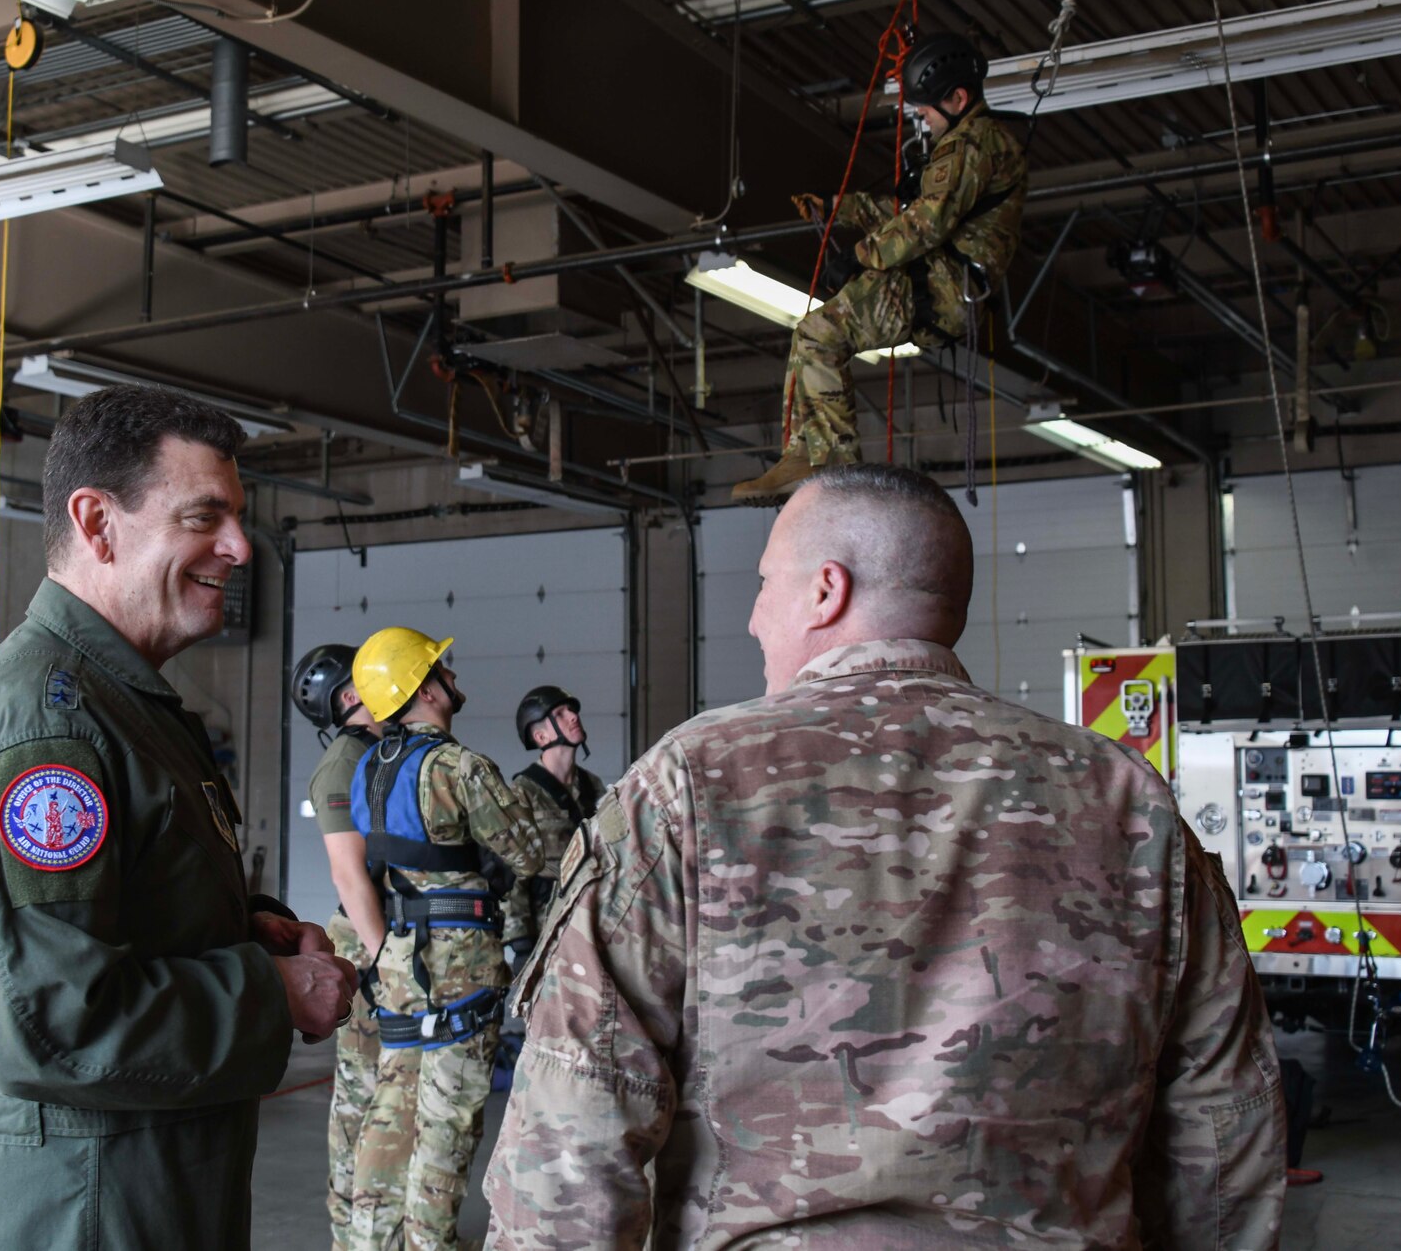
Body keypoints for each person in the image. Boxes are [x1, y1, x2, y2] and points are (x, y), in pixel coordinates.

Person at [485, 463, 1285, 1249]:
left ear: (826, 589)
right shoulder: (1127, 801)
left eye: (764, 584)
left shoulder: (689, 786)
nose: (755, 618)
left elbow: (575, 1131)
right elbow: (1222, 1122)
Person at [0, 385, 358, 1250]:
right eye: (204, 517)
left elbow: (128, 911)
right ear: (97, 522)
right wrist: (267, 992)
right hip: (80, 1212)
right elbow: (51, 1016)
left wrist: (248, 932)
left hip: (139, 1193)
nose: (238, 546)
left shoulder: (124, 704)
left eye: (237, 519)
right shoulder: (50, 723)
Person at [734, 33, 1027, 502]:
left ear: (958, 98)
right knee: (810, 335)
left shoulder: (975, 145)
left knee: (819, 334)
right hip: (939, 280)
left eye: (928, 107)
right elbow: (913, 209)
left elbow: (926, 224)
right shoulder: (966, 145)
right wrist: (839, 208)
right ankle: (806, 451)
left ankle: (828, 459)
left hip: (944, 286)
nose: (922, 117)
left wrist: (858, 256)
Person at [347, 628, 545, 1249]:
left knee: (391, 1117)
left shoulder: (370, 773)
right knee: (446, 1132)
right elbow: (531, 852)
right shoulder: (461, 767)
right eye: (443, 671)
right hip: (459, 968)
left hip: (400, 965)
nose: (453, 680)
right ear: (426, 689)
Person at [291, 642, 386, 1247]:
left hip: (385, 931)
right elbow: (349, 875)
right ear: (349, 697)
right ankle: (351, 1234)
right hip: (367, 935)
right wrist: (385, 956)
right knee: (361, 1094)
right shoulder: (345, 763)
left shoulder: (382, 752)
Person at [500, 684, 605, 966]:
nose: (573, 716)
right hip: (544, 924)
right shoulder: (522, 792)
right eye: (560, 713)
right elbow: (512, 874)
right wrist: (520, 942)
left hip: (590, 918)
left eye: (571, 710)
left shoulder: (592, 786)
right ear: (541, 735)